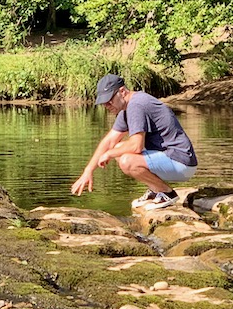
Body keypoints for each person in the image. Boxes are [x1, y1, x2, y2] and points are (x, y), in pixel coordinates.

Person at [71, 73, 198, 210]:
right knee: (119, 148)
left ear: (122, 91)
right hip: (171, 159)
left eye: (109, 100)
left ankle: (167, 193)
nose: (107, 105)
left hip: (181, 162)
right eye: (104, 103)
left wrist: (109, 154)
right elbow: (109, 141)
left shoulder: (137, 105)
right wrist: (88, 170)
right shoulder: (126, 109)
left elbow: (136, 146)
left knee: (126, 160)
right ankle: (155, 190)